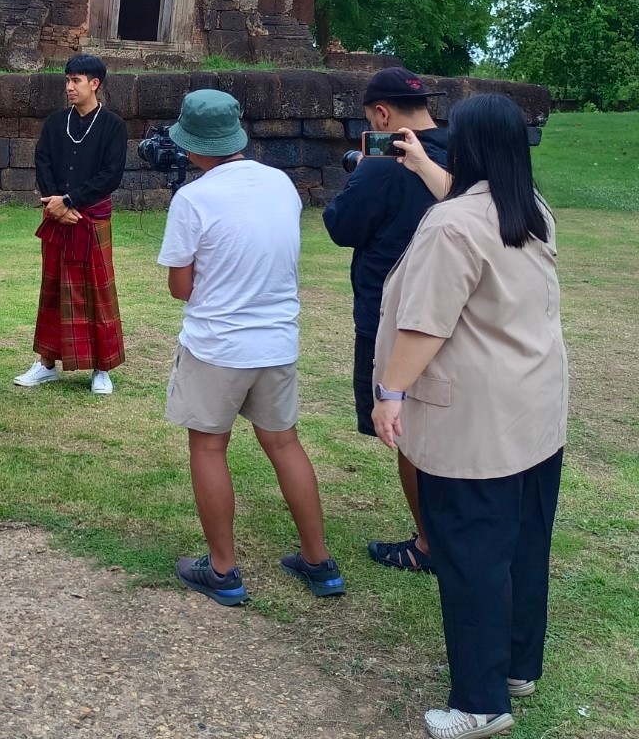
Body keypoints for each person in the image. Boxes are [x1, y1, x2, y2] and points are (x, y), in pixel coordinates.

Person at [373, 94, 567, 739]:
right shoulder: (530, 210)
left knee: (471, 557)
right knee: (522, 543)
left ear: (473, 147)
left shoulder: (452, 226)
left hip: (476, 422)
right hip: (534, 409)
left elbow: (425, 324)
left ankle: (481, 704)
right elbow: (466, 201)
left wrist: (390, 392)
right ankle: (516, 666)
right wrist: (424, 165)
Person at [159, 89, 345, 607]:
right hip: (276, 339)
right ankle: (318, 559)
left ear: (194, 144)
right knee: (285, 444)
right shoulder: (281, 183)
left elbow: (180, 287)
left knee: (209, 446)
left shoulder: (193, 198)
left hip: (217, 342)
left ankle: (223, 568)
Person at [322, 66, 449, 573]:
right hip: (456, 314)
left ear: (381, 113)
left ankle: (428, 544)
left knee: (408, 433)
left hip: (393, 316)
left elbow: (341, 226)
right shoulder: (467, 156)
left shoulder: (383, 163)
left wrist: (360, 173)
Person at [16, 53, 127, 395]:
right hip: (57, 215)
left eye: (76, 80)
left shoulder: (112, 125)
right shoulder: (54, 122)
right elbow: (43, 162)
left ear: (95, 84)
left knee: (97, 291)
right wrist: (56, 204)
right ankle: (47, 363)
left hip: (91, 217)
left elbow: (111, 175)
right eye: (67, 80)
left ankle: (101, 368)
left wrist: (71, 201)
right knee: (53, 290)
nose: (69, 87)